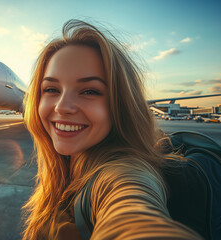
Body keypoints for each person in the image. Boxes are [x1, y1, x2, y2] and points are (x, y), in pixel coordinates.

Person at [22, 19, 202, 239]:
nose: (62, 107)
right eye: (51, 89)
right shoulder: (69, 167)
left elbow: (131, 208)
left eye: (90, 91)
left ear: (121, 105)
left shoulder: (122, 173)